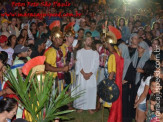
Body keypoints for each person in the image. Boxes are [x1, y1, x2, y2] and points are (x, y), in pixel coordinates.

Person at [73, 32, 99, 114]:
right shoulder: (80, 52)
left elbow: (96, 64)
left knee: (91, 90)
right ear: (84, 41)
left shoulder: (95, 53)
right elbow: (78, 63)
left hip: (91, 75)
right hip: (82, 75)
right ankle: (80, 107)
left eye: (90, 40)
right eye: (88, 40)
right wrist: (84, 73)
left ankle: (90, 107)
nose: (90, 42)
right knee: (81, 90)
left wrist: (90, 73)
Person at [102, 34, 124, 122]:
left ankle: (112, 119)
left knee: (111, 104)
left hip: (112, 82)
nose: (104, 44)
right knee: (114, 104)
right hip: (117, 82)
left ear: (108, 44)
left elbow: (111, 72)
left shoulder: (112, 56)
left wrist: (108, 85)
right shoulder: (117, 52)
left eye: (105, 42)